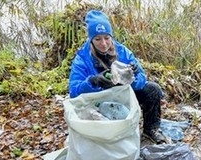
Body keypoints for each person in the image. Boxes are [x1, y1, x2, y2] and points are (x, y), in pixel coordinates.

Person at [68, 10, 167, 144]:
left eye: (107, 38)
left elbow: (142, 79)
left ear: (111, 36)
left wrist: (134, 77)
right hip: (99, 101)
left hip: (123, 97)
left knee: (153, 89)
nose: (103, 44)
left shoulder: (123, 52)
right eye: (97, 39)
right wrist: (93, 81)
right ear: (91, 39)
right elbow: (73, 91)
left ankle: (151, 129)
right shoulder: (82, 58)